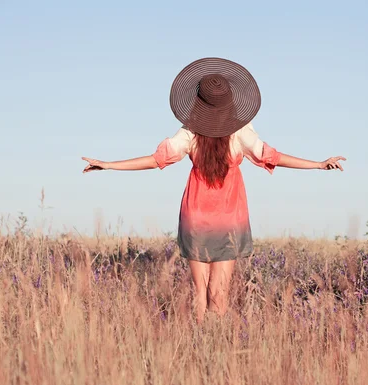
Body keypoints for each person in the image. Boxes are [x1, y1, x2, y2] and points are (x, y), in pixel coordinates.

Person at [82, 57, 346, 323]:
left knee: (199, 294)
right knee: (218, 297)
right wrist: (318, 165)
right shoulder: (241, 132)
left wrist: (108, 165)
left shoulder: (189, 134)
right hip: (229, 218)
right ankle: (212, 354)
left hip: (195, 217)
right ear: (230, 102)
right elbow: (274, 157)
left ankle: (195, 351)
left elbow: (154, 160)